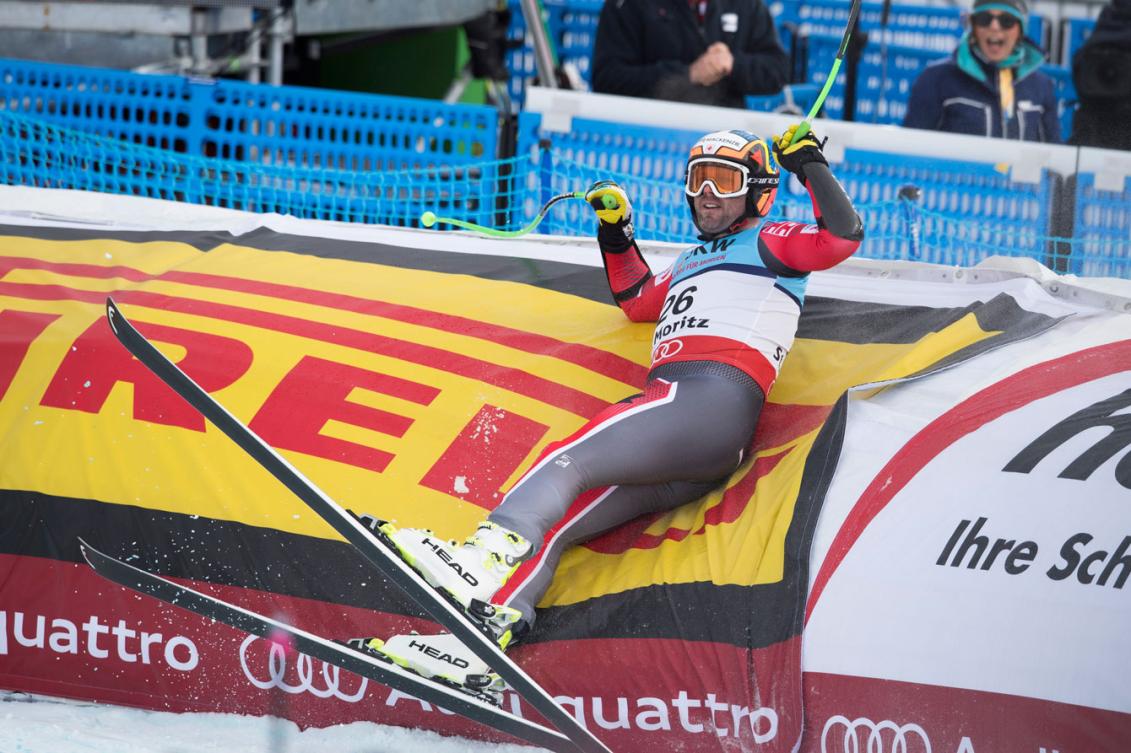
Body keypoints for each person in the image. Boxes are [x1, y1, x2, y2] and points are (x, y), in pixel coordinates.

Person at [353, 125, 864, 695]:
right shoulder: (692, 259)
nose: (709, 195)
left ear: (759, 193)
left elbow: (842, 235)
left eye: (725, 181)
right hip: (696, 436)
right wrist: (616, 231)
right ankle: (488, 635)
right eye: (699, 180)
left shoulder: (772, 240)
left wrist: (809, 164)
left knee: (568, 461)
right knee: (561, 525)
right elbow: (638, 299)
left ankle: (484, 556)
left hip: (703, 400)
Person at [903, 0, 1060, 142]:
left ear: (1020, 30)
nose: (994, 26)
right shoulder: (937, 78)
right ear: (973, 28)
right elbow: (912, 146)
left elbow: (1052, 153)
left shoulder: (1041, 86)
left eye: (1007, 20)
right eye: (984, 19)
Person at [589, 0, 789, 108]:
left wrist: (733, 64)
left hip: (726, 139)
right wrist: (688, 74)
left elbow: (777, 71)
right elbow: (607, 78)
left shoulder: (747, 6)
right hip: (646, 135)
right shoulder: (627, 5)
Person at [1068, 0, 1131, 150]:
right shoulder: (1108, 21)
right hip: (1098, 124)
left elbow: (1080, 72)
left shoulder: (1107, 20)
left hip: (1092, 129)